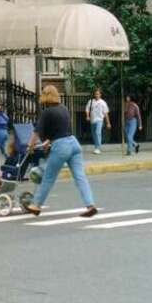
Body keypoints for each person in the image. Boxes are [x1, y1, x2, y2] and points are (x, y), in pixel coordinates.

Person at [24, 85, 97, 218]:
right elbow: (61, 130)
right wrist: (49, 141)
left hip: (61, 147)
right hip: (74, 143)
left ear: (46, 96)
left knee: (48, 177)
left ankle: (36, 205)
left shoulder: (47, 112)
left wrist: (29, 146)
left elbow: (36, 132)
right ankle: (90, 205)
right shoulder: (64, 108)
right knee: (80, 177)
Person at [85, 88, 110, 154]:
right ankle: (96, 147)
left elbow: (106, 113)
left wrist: (108, 123)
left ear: (100, 94)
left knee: (98, 133)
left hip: (100, 120)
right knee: (94, 134)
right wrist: (87, 116)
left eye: (98, 94)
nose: (97, 95)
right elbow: (87, 109)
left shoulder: (103, 102)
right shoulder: (91, 101)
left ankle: (98, 148)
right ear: (94, 94)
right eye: (96, 94)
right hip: (92, 120)